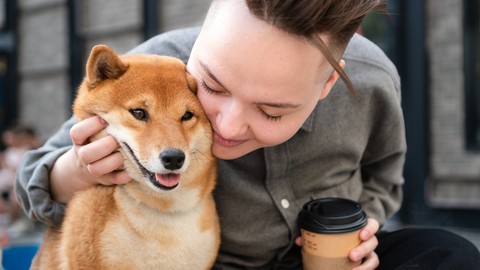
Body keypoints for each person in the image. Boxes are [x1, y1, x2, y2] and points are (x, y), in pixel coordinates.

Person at [15, 0, 480, 269]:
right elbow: (32, 177)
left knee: (449, 254)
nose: (228, 127)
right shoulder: (154, 70)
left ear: (328, 83)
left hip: (319, 262)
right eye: (213, 86)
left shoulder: (373, 81)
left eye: (272, 111)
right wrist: (74, 170)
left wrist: (359, 232)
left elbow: (384, 178)